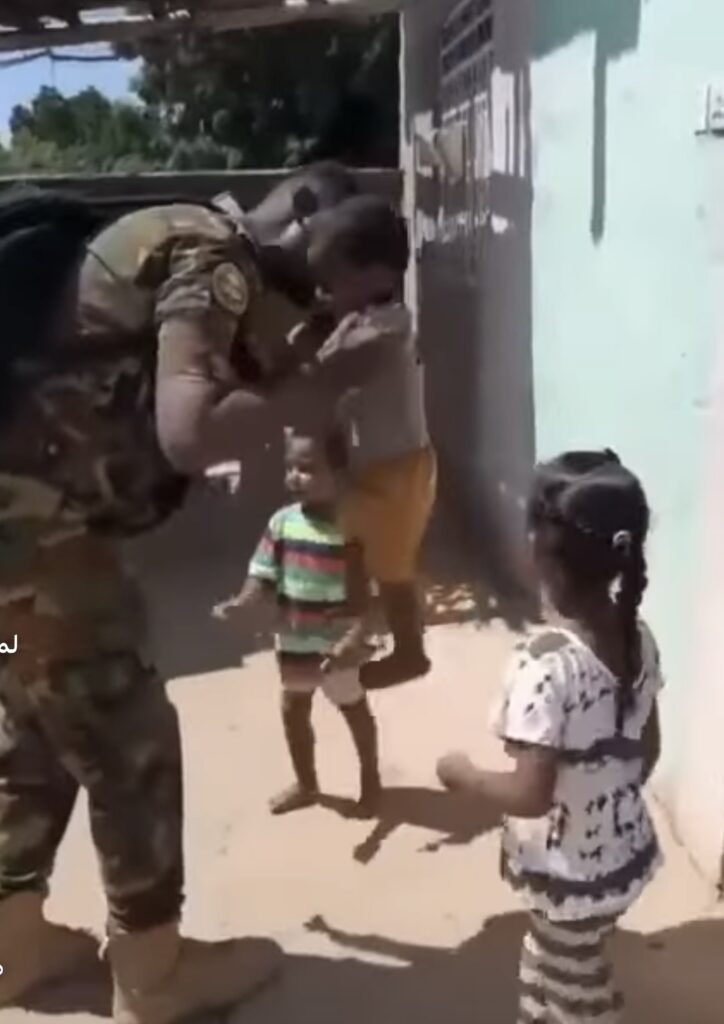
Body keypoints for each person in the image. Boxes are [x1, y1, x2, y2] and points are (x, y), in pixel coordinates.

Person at [0, 163, 390, 1024]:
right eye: (335, 284)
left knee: (31, 724)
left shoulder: (174, 240)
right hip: (41, 552)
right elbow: (189, 432)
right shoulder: (213, 255)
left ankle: (13, 945)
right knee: (127, 736)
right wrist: (326, 385)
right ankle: (153, 973)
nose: (327, 305)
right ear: (306, 212)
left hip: (13, 563)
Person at [437, 450, 663, 1023]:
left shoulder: (543, 666)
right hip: (623, 855)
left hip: (573, 877)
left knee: (576, 991)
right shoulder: (638, 636)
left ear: (538, 547)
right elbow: (648, 752)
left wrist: (463, 776)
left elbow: (530, 794)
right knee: (548, 963)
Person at [292, 194, 437, 689]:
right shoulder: (355, 319)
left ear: (377, 275)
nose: (326, 293)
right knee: (351, 548)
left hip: (398, 474)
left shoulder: (390, 323)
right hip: (371, 468)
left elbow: (341, 366)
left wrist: (306, 362)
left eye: (334, 280)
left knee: (393, 572)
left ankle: (411, 653)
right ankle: (358, 630)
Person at [213, 430, 381, 818]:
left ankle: (371, 782)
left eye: (307, 468)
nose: (294, 476)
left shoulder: (352, 528)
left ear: (339, 475)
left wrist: (356, 637)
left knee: (355, 711)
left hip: (338, 648)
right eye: (289, 467)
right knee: (293, 709)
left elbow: (366, 596)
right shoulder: (282, 523)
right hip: (293, 642)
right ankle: (306, 784)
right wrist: (242, 603)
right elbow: (261, 573)